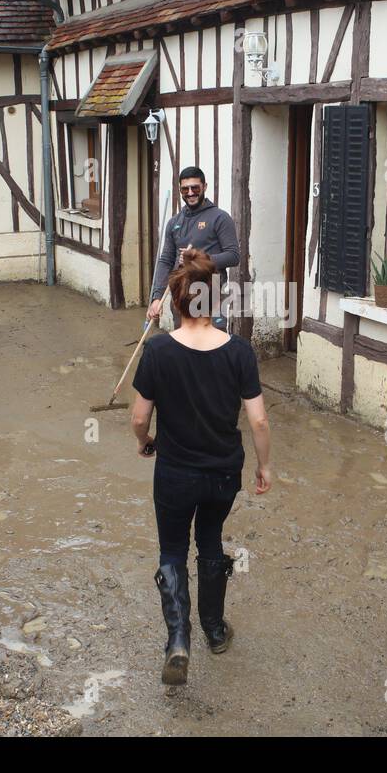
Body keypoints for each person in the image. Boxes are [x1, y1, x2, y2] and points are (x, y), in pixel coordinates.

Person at [130, 248, 272, 685]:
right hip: (222, 473)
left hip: (174, 472)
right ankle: (214, 629)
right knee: (210, 542)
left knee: (172, 550)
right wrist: (264, 467)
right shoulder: (240, 353)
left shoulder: (157, 352)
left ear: (176, 301)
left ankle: (178, 640)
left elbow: (138, 417)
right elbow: (259, 419)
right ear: (216, 301)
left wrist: (146, 441)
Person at [146, 166, 240, 331]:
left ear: (205, 186)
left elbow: (233, 256)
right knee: (183, 347)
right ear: (180, 190)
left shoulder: (220, 218)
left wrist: (197, 259)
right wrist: (156, 297)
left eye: (195, 187)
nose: (190, 193)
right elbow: (166, 260)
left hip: (211, 293)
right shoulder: (174, 222)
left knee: (211, 348)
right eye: (185, 189)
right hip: (181, 294)